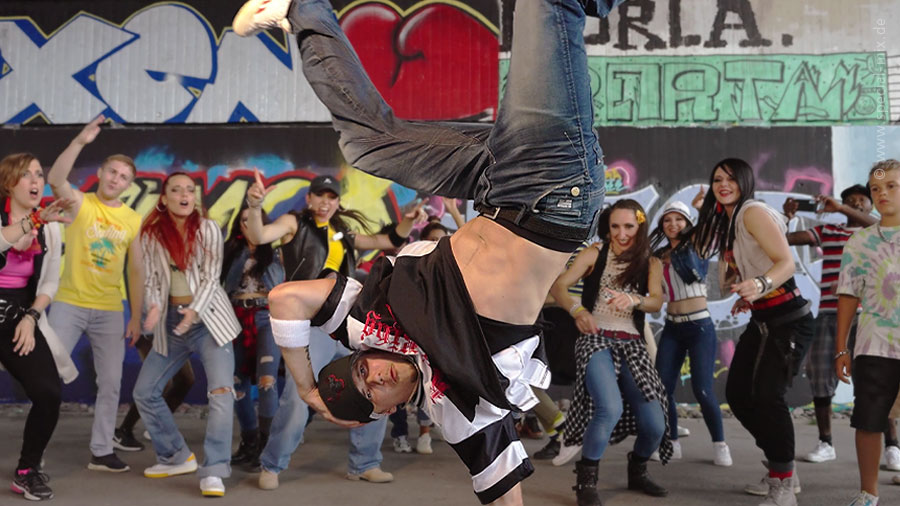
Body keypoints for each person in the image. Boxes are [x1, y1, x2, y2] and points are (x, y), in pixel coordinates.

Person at [231, 0, 616, 502]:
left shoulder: (371, 327)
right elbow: (504, 493)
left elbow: (285, 298)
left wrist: (305, 387)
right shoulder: (458, 410)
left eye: (363, 370)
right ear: (388, 411)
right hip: (553, 187)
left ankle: (303, 10)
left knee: (366, 144)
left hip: (493, 183)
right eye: (374, 392)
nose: (377, 375)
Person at [245, 173, 424, 489]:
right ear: (309, 199)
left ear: (338, 202)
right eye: (320, 196)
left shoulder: (344, 233)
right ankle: (272, 464)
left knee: (375, 392)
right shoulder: (294, 224)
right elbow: (260, 236)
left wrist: (408, 220)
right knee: (298, 396)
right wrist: (255, 206)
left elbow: (387, 242)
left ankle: (365, 463)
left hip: (349, 323)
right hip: (314, 324)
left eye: (332, 197)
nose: (325, 202)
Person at [693, 158, 815, 506]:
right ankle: (782, 464)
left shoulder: (752, 212)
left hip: (788, 319)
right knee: (738, 394)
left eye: (731, 178)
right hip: (763, 318)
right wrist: (750, 294)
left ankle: (783, 484)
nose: (723, 184)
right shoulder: (731, 220)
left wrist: (760, 284)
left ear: (745, 182)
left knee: (767, 397)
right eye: (718, 179)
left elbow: (785, 263)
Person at [549, 200, 670, 505]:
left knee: (655, 424)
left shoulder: (650, 262)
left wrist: (634, 300)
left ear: (640, 226)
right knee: (609, 408)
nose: (621, 233)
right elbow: (559, 285)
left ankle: (638, 469)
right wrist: (577, 311)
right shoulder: (595, 253)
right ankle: (586, 481)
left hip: (632, 344)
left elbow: (656, 301)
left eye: (629, 226)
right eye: (615, 226)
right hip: (596, 339)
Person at [46, 116, 144, 473]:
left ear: (129, 185)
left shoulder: (132, 220)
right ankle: (34, 452)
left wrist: (135, 316)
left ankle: (101, 451)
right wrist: (80, 141)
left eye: (123, 177)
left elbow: (136, 270)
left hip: (109, 309)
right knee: (46, 377)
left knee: (112, 383)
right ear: (101, 173)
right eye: (112, 172)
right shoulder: (79, 203)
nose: (116, 179)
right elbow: (56, 179)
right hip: (69, 303)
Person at [133, 172, 241, 497]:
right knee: (145, 392)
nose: (184, 195)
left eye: (189, 190)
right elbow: (153, 279)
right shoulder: (152, 234)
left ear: (195, 197)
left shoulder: (207, 229)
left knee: (221, 393)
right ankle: (175, 456)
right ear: (164, 198)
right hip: (171, 323)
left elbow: (210, 278)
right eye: (176, 190)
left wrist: (194, 311)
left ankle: (214, 470)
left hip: (209, 321)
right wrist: (154, 306)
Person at [781, 186, 877, 466]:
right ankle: (825, 443)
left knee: (874, 382)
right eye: (850, 200)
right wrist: (787, 218)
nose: (856, 204)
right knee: (820, 376)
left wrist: (842, 207)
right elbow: (785, 240)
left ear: (871, 206)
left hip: (867, 317)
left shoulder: (877, 233)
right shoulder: (829, 232)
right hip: (828, 315)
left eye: (861, 200)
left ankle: (892, 446)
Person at [0, 153, 76, 501]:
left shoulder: (51, 227)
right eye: (26, 174)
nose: (36, 181)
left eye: (38, 174)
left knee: (48, 394)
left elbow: (49, 283)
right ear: (8, 183)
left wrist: (31, 318)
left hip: (18, 318)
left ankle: (27, 471)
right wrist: (32, 221)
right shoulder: (33, 220)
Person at [835, 159, 900, 506]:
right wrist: (841, 348)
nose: (882, 193)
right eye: (876, 188)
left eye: (891, 186)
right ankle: (868, 494)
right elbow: (847, 295)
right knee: (869, 420)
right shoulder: (858, 243)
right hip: (874, 344)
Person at [649, 200, 731, 466]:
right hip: (672, 326)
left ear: (688, 223)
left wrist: (702, 206)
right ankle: (671, 442)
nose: (673, 224)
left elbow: (710, 226)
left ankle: (720, 444)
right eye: (667, 220)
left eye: (679, 219)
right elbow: (656, 293)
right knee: (663, 388)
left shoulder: (697, 246)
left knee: (703, 389)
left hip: (699, 327)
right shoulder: (658, 257)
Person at [221, 203, 285, 469]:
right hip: (235, 317)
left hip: (265, 317)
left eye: (254, 219)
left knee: (267, 380)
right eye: (244, 220)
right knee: (237, 383)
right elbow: (223, 286)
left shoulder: (275, 253)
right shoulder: (231, 252)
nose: (249, 224)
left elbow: (282, 286)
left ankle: (265, 446)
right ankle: (248, 441)